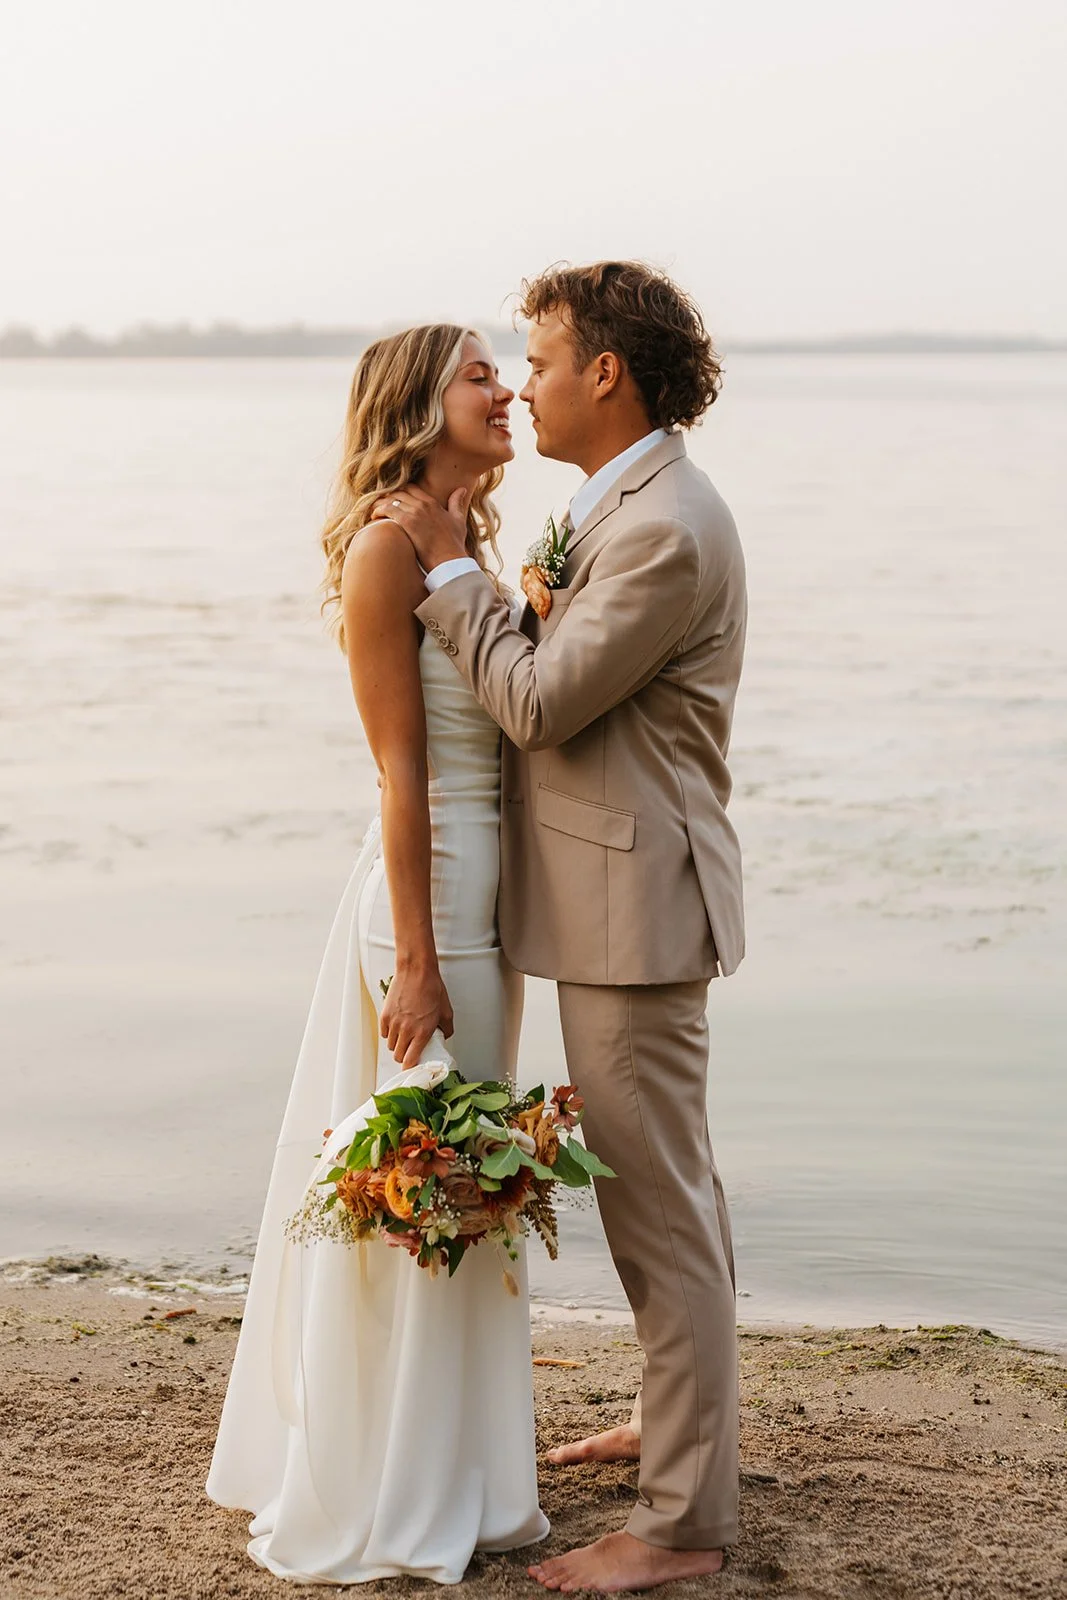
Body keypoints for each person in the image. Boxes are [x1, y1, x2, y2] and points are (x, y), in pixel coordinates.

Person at [376, 260, 747, 1593]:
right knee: (667, 1200)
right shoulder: (615, 507)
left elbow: (537, 705)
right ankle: (673, 1425)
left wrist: (442, 572)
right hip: (608, 901)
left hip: (633, 911)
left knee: (658, 1213)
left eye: (534, 360)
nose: (520, 383)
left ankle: (681, 1524)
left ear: (605, 372)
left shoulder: (663, 528)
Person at [205, 324, 550, 1584]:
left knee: (475, 1171)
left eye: (507, 371)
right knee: (425, 1179)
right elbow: (401, 773)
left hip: (489, 904)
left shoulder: (472, 537)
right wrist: (413, 958)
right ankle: (387, 1476)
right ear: (416, 401)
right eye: (477, 374)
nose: (505, 388)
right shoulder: (387, 545)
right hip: (429, 896)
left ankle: (459, 1463)